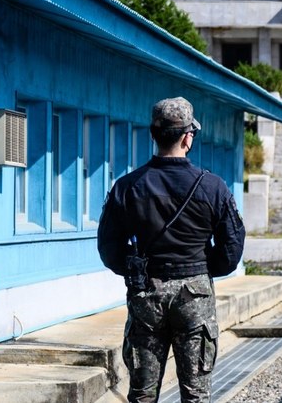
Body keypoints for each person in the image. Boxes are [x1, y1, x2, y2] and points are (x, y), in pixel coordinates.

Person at [98, 97, 245, 403]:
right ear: (188, 136)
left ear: (153, 134)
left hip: (146, 295)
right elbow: (231, 251)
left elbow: (109, 249)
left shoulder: (127, 187)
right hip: (195, 295)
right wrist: (201, 268)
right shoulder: (213, 187)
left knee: (141, 394)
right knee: (196, 395)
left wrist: (135, 267)